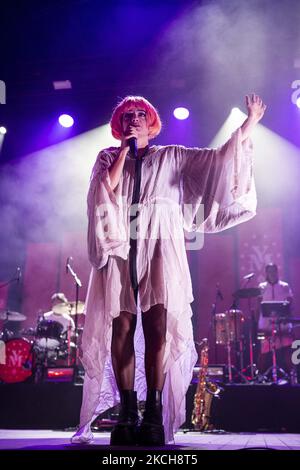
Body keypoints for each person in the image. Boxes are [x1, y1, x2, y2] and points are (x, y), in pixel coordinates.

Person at [71, 94, 266, 446]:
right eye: (127, 115)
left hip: (160, 247)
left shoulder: (172, 156)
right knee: (122, 327)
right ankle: (128, 412)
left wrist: (247, 125)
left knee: (158, 327)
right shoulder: (108, 157)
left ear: (151, 122)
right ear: (119, 123)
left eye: (140, 115)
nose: (133, 119)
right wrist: (126, 152)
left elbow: (218, 163)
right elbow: (105, 191)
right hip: (119, 250)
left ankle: (153, 413)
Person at [257, 263, 294, 375]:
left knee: (287, 349)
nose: (272, 273)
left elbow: (290, 301)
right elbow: (259, 303)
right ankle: (261, 376)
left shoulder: (284, 286)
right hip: (266, 324)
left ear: (277, 272)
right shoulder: (261, 287)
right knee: (264, 350)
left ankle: (291, 375)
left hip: (282, 323)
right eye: (270, 271)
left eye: (274, 271)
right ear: (266, 273)